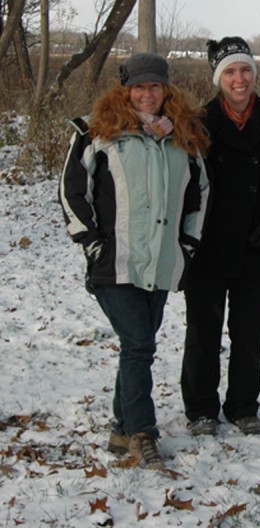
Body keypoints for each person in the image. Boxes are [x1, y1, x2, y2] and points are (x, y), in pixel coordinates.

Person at [59, 52, 210, 470]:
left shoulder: (183, 137)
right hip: (116, 262)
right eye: (139, 87)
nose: (147, 94)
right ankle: (143, 434)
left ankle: (120, 427)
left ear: (166, 90)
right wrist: (91, 244)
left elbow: (199, 195)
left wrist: (187, 245)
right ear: (125, 90)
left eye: (155, 86)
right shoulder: (97, 133)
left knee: (136, 346)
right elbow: (73, 192)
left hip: (161, 261)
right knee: (139, 344)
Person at [181, 37, 260, 436]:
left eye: (245, 70)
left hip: (257, 246)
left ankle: (243, 405)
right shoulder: (197, 123)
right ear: (219, 78)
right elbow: (183, 185)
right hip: (209, 247)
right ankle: (200, 409)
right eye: (230, 71)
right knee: (203, 331)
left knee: (250, 331)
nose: (239, 78)